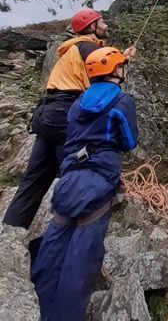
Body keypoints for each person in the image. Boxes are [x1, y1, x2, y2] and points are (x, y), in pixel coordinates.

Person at [32, 46, 138, 321]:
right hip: (98, 182)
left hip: (69, 179)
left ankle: (38, 309)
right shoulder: (122, 102)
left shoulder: (78, 102)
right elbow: (129, 141)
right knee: (81, 262)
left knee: (53, 247)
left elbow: (72, 133)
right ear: (116, 70)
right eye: (121, 66)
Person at [3, 9, 136, 229]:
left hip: (48, 114)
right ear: (92, 27)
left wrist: (123, 58)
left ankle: (10, 232)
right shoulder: (89, 47)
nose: (106, 26)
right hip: (66, 114)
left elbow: (101, 64)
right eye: (101, 22)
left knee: (33, 181)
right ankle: (73, 232)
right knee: (79, 174)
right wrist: (121, 62)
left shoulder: (74, 48)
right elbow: (104, 72)